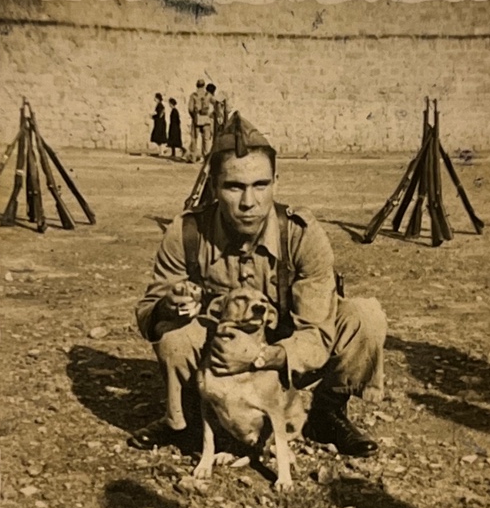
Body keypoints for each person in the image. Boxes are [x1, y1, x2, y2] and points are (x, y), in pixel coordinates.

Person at [129, 112, 385, 458]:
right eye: (234, 187)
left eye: (260, 185)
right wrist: (168, 305)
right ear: (214, 186)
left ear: (276, 182)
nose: (249, 202)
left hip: (285, 341)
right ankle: (186, 421)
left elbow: (317, 333)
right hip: (220, 349)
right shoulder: (187, 233)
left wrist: (263, 357)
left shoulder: (301, 234)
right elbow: (148, 315)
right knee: (175, 335)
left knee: (364, 317)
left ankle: (328, 412)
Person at [187, 79, 214, 161]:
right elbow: (216, 104)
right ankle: (205, 157)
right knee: (206, 139)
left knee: (194, 138)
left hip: (197, 119)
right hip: (206, 119)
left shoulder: (193, 95)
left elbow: (190, 109)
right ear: (204, 85)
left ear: (197, 85)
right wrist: (211, 114)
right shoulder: (208, 95)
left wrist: (193, 116)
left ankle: (193, 157)